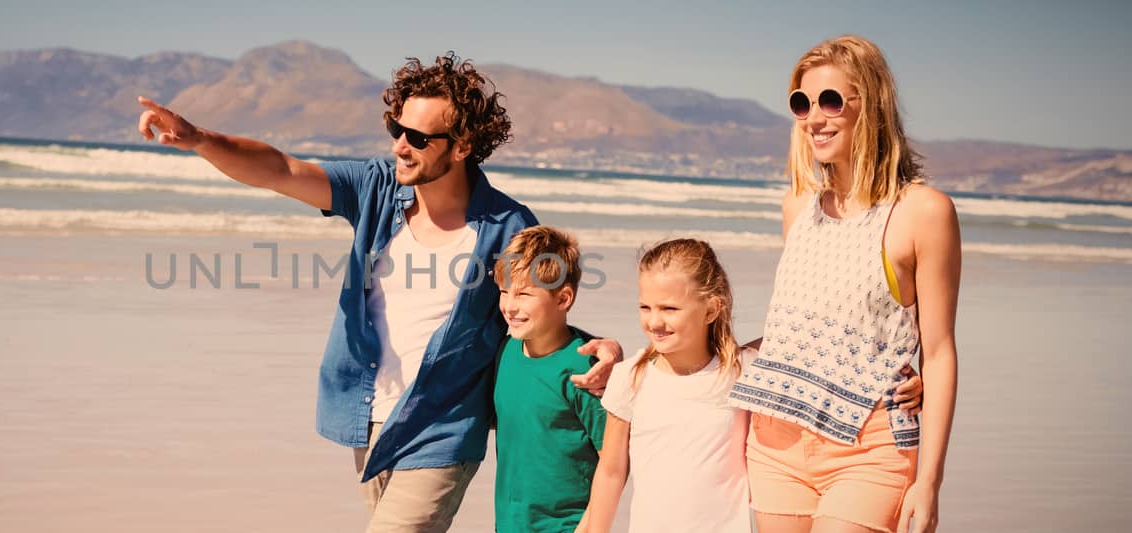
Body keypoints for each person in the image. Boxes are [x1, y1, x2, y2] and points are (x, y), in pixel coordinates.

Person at [136, 52, 617, 533]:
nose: (401, 146)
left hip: (442, 425)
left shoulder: (507, 226)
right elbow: (281, 169)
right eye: (396, 128)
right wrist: (201, 140)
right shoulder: (375, 188)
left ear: (462, 145)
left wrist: (598, 349)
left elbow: (539, 305)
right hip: (367, 418)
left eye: (419, 138)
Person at [725, 35, 961, 533]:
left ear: (870, 104)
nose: (814, 117)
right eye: (802, 103)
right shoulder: (798, 207)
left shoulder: (922, 212)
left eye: (831, 100)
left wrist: (930, 481)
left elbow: (938, 352)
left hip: (869, 449)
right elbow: (806, 326)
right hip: (776, 441)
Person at [578, 239, 924, 533]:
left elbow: (817, 342)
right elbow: (611, 471)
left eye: (669, 308)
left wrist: (899, 375)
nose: (655, 320)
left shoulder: (744, 371)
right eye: (645, 307)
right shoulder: (630, 377)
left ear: (711, 309)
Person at [490, 226, 608, 532]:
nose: (510, 306)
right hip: (509, 524)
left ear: (563, 298)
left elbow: (613, 459)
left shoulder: (586, 369)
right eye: (505, 291)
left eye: (524, 294)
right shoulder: (505, 352)